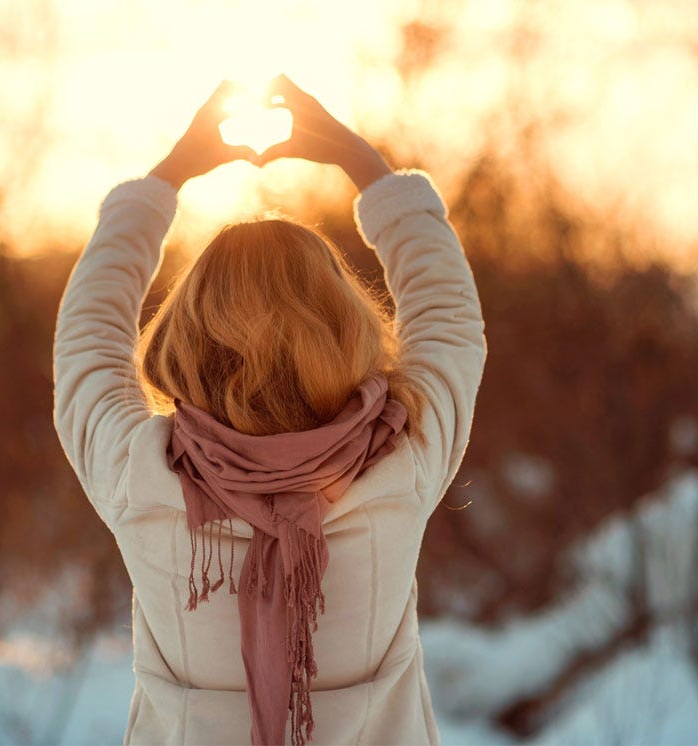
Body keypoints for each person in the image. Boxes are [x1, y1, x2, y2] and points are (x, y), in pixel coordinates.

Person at [53, 75, 487, 746]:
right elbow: (448, 317)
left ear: (186, 340)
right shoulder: (402, 460)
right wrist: (361, 162)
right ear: (344, 327)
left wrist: (164, 180)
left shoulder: (138, 476)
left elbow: (87, 336)